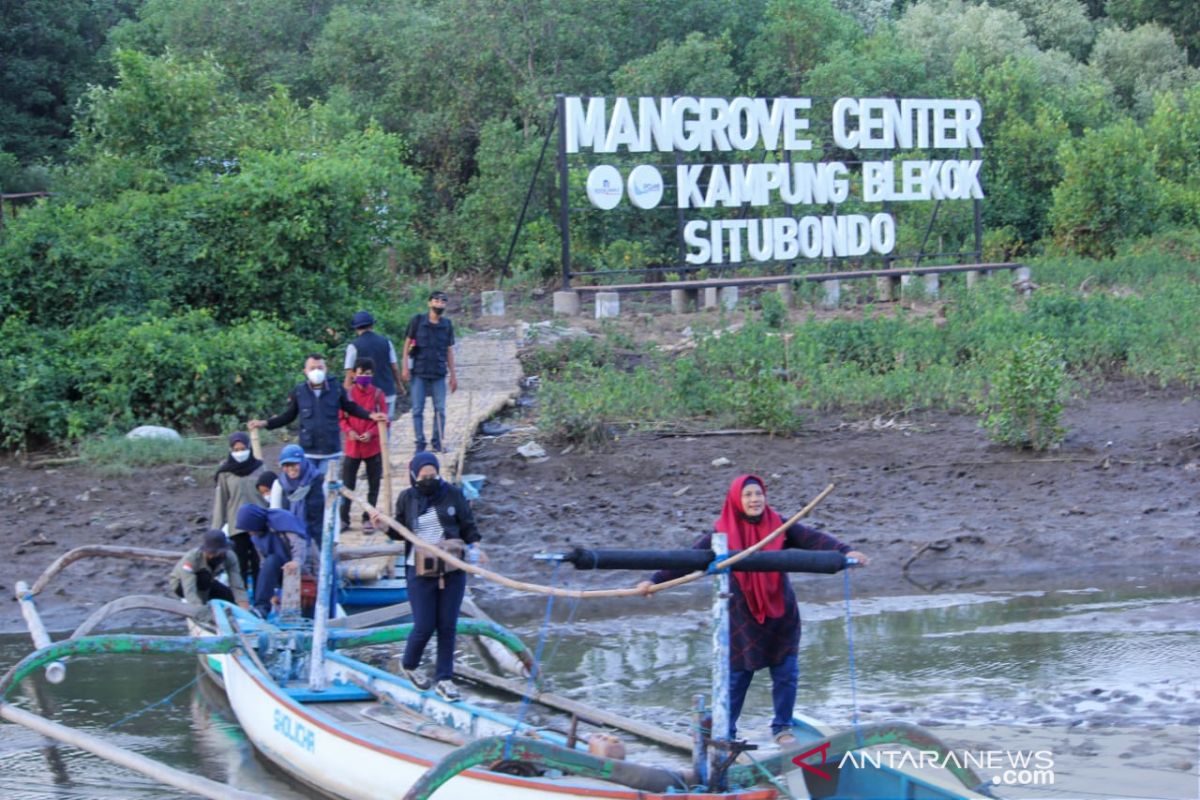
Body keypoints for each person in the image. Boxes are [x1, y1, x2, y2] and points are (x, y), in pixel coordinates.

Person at [637, 474, 868, 745]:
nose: (754, 499)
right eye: (748, 495)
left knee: (786, 672)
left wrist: (846, 552)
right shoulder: (720, 534)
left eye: (758, 494)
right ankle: (726, 731)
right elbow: (686, 561)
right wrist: (654, 582)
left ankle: (782, 728)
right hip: (741, 615)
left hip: (780, 611)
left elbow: (814, 540)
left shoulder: (778, 525)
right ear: (737, 499)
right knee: (737, 676)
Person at [370, 452, 481, 701]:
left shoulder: (452, 493)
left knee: (448, 626)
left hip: (451, 568)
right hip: (419, 570)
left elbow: (468, 524)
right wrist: (383, 526)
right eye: (423, 476)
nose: (428, 480)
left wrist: (475, 547)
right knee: (424, 625)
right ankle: (409, 664)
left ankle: (445, 679)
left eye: (433, 475)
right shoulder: (407, 498)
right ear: (413, 475)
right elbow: (400, 530)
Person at [248, 353, 388, 476]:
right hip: (308, 451)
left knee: (327, 491)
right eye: (312, 368)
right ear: (305, 371)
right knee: (310, 490)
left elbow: (351, 407)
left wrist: (370, 415)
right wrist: (265, 423)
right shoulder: (299, 391)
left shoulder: (336, 388)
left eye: (320, 368)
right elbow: (288, 416)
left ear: (326, 369)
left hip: (331, 451)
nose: (316, 371)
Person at [402, 290, 457, 453]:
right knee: (417, 409)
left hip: (438, 373)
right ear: (429, 303)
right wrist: (404, 367)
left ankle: (437, 441)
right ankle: (420, 442)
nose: (439, 304)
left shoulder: (446, 325)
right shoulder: (417, 321)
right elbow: (406, 346)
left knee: (440, 409)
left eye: (442, 301)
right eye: (436, 300)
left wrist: (453, 375)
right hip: (419, 372)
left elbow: (449, 351)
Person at [235, 504, 311, 618]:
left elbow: (299, 544)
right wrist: (272, 592)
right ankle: (261, 609)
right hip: (282, 568)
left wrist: (297, 561)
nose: (250, 533)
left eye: (249, 529)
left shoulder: (282, 520)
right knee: (270, 562)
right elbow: (264, 564)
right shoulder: (256, 536)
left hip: (304, 566)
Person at [211, 431, 265, 588]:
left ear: (249, 448)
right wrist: (216, 530)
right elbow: (221, 501)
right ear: (231, 450)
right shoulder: (225, 473)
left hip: (258, 524)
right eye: (236, 450)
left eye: (243, 448)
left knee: (258, 562)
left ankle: (260, 598)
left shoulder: (259, 468)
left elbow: (267, 495)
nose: (240, 452)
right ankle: (242, 599)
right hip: (237, 526)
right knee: (239, 564)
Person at [340, 357, 387, 532]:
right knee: (347, 484)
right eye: (360, 374)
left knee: (373, 484)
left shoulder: (377, 394)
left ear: (372, 375)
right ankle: (343, 519)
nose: (363, 377)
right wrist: (349, 431)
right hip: (352, 447)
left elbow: (384, 419)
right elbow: (341, 418)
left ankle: (368, 518)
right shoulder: (347, 395)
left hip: (372, 446)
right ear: (353, 374)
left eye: (367, 374)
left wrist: (371, 433)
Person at [344, 310, 404, 422]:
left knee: (368, 427)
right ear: (372, 325)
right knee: (385, 427)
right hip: (387, 392)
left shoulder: (353, 346)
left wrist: (346, 397)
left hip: (366, 396)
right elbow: (395, 368)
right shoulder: (387, 342)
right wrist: (400, 386)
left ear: (356, 328)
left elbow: (349, 375)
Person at [169, 529, 251, 610]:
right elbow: (189, 589)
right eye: (213, 553)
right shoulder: (191, 559)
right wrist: (199, 609)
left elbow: (236, 583)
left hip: (209, 581)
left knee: (229, 597)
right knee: (204, 577)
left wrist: (243, 603)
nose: (219, 555)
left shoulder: (229, 556)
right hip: (182, 583)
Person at [269, 444, 325, 544]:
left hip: (319, 536)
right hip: (292, 539)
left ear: (303, 462)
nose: (290, 468)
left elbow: (332, 510)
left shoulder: (319, 481)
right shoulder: (279, 485)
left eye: (294, 464)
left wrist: (334, 540)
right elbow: (275, 514)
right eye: (286, 465)